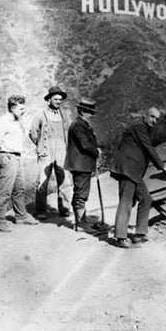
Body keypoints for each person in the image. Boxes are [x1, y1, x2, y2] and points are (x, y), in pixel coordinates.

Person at [110, 107, 166, 249]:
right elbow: (148, 148)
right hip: (127, 170)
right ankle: (120, 238)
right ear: (145, 115)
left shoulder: (144, 129)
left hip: (134, 172)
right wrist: (162, 166)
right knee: (125, 202)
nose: (154, 121)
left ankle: (139, 234)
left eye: (157, 119)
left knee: (146, 199)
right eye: (152, 117)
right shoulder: (139, 126)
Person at [0, 94, 38, 232]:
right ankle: (0, 220)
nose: (24, 111)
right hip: (7, 158)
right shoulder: (3, 121)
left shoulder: (17, 121)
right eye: (21, 108)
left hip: (16, 158)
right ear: (12, 108)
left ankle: (21, 216)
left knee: (19, 189)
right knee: (4, 192)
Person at [29, 85, 73, 219]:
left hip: (62, 150)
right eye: (56, 99)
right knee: (42, 180)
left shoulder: (65, 114)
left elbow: (69, 131)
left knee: (64, 180)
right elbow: (33, 132)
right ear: (49, 99)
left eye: (60, 99)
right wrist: (41, 145)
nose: (58, 102)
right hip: (46, 150)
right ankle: (41, 210)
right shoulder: (40, 114)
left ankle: (65, 208)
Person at [64, 97, 100, 232]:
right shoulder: (79, 125)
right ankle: (81, 224)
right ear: (83, 111)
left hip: (82, 164)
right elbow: (85, 145)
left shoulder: (81, 124)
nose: (92, 115)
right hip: (81, 164)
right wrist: (96, 152)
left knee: (80, 192)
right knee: (81, 194)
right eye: (90, 112)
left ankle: (81, 222)